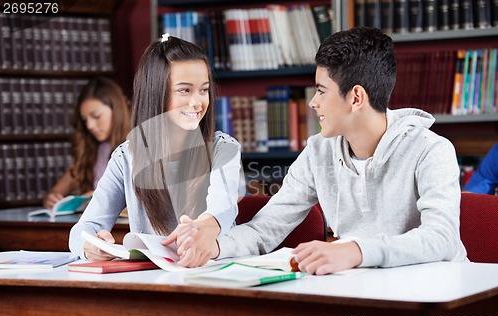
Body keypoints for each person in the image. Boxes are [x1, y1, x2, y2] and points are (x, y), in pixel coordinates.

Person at [205, 27, 467, 275]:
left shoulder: (431, 150)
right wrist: (214, 247)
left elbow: (441, 238)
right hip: (370, 289)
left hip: (440, 295)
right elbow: (266, 228)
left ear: (356, 98)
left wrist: (355, 250)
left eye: (320, 91)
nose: (312, 102)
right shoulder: (318, 152)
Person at [69, 34, 243, 268]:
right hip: (151, 280)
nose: (197, 102)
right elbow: (83, 229)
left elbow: (221, 209)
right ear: (155, 93)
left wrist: (202, 228)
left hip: (212, 274)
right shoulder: (126, 157)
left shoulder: (224, 148)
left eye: (203, 90)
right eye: (184, 90)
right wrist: (90, 247)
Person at [42, 77, 131, 209]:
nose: (89, 125)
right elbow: (56, 192)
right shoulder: (91, 152)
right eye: (85, 120)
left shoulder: (138, 146)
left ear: (116, 111)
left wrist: (103, 197)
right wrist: (52, 198)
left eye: (96, 116)